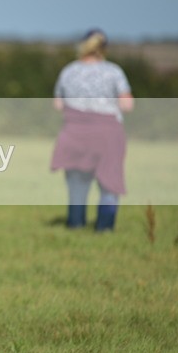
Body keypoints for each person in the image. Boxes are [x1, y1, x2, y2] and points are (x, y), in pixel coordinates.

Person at [50, 29, 135, 231]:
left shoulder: (69, 71)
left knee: (77, 184)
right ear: (104, 48)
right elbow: (127, 105)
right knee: (109, 183)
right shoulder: (113, 72)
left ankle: (75, 225)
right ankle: (104, 229)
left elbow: (58, 105)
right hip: (107, 133)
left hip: (74, 132)